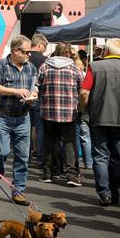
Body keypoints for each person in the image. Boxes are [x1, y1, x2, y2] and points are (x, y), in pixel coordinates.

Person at [80, 38, 120, 206]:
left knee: (101, 156)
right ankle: (115, 191)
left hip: (99, 118)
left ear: (107, 51)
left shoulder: (95, 66)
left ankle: (104, 193)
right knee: (117, 158)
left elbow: (83, 93)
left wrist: (83, 109)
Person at [0, 35, 37, 206]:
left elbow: (35, 88)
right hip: (3, 117)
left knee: (23, 156)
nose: (29, 55)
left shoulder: (32, 68)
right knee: (2, 153)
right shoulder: (0, 66)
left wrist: (33, 96)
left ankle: (18, 191)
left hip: (23, 117)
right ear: (15, 51)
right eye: (26, 52)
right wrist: (15, 91)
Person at [36, 42, 82, 186]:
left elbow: (37, 86)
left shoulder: (44, 67)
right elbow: (81, 89)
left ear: (56, 52)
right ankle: (71, 175)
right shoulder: (74, 69)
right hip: (69, 112)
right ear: (68, 53)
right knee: (69, 143)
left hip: (48, 111)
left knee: (49, 142)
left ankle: (48, 173)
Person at [29, 33, 48, 166]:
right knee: (40, 127)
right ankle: (40, 156)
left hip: (23, 95)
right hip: (39, 97)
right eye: (45, 46)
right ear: (40, 45)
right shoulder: (46, 61)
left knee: (26, 127)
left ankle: (27, 155)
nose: (45, 49)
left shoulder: (25, 57)